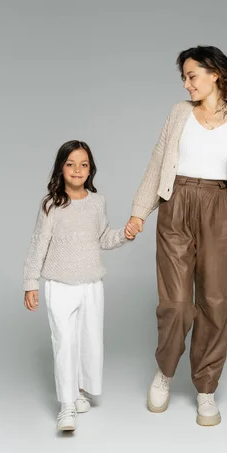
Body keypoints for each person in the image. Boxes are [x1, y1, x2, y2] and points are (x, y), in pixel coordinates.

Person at [129, 45, 227, 426]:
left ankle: (206, 388)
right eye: (184, 77)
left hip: (218, 208)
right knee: (175, 303)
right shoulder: (178, 114)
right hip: (176, 204)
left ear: (215, 75)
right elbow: (158, 161)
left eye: (191, 75)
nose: (186, 83)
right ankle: (165, 372)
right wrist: (139, 212)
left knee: (216, 300)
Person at [23, 140, 138, 432]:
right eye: (71, 164)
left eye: (83, 164)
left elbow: (102, 238)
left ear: (91, 170)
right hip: (60, 283)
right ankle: (66, 406)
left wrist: (124, 234)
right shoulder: (51, 204)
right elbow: (39, 244)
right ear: (61, 168)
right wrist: (30, 282)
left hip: (91, 284)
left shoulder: (97, 203)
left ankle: (79, 390)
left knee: (89, 340)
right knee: (64, 342)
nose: (77, 169)